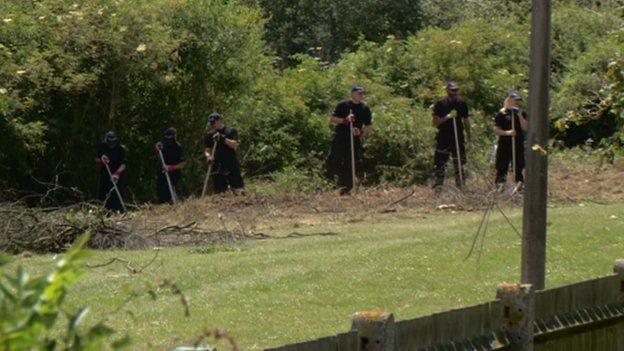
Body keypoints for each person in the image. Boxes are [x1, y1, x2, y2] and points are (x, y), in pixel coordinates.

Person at [326, 85, 373, 195]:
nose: (361, 95)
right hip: (340, 138)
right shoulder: (343, 105)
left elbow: (369, 126)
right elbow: (332, 119)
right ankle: (330, 184)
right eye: (358, 93)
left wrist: (360, 132)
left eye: (362, 94)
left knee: (351, 163)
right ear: (352, 94)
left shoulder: (365, 108)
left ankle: (347, 189)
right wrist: (345, 120)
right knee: (334, 159)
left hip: (354, 140)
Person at [432, 82, 471, 188]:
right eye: (452, 90)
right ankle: (438, 187)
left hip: (458, 137)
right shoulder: (440, 104)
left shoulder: (461, 103)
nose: (454, 92)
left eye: (456, 90)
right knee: (440, 162)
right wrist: (448, 117)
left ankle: (461, 187)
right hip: (443, 137)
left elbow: (466, 121)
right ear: (447, 90)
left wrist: (469, 135)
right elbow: (435, 122)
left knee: (459, 162)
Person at [204, 113, 245, 194]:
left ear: (219, 120)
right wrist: (208, 157)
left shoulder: (231, 131)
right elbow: (207, 150)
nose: (212, 124)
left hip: (231, 162)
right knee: (220, 191)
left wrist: (223, 138)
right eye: (211, 123)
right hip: (217, 164)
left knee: (238, 188)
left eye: (214, 122)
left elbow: (234, 145)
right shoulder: (210, 135)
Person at [494, 92, 528, 186]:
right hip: (504, 144)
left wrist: (520, 115)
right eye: (515, 100)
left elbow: (525, 127)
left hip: (518, 144)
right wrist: (507, 133)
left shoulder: (522, 113)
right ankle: (500, 186)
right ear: (509, 100)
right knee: (502, 166)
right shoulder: (502, 113)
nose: (517, 102)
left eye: (518, 100)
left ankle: (518, 186)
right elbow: (496, 130)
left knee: (518, 166)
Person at [95, 131, 127, 212]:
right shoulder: (102, 147)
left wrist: (117, 174)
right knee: (104, 195)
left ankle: (118, 211)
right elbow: (96, 159)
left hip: (117, 176)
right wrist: (101, 160)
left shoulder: (121, 149)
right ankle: (104, 212)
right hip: (105, 175)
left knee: (117, 195)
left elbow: (124, 164)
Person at [156, 128, 186, 204]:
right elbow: (159, 154)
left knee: (173, 195)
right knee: (162, 194)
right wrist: (157, 149)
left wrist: (171, 167)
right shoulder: (163, 145)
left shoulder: (178, 147)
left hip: (174, 175)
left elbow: (182, 164)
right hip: (163, 174)